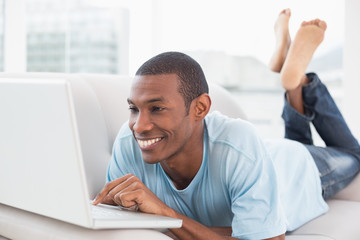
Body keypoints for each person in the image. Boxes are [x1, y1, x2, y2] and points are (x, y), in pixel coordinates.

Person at [93, 9, 360, 240]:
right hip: (263, 156)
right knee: (297, 139)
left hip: (296, 168)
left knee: (352, 155)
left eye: (157, 108)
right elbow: (117, 217)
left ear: (200, 108)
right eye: (133, 109)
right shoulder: (128, 144)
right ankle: (294, 81)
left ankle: (303, 84)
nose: (139, 126)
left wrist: (167, 214)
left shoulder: (238, 143)